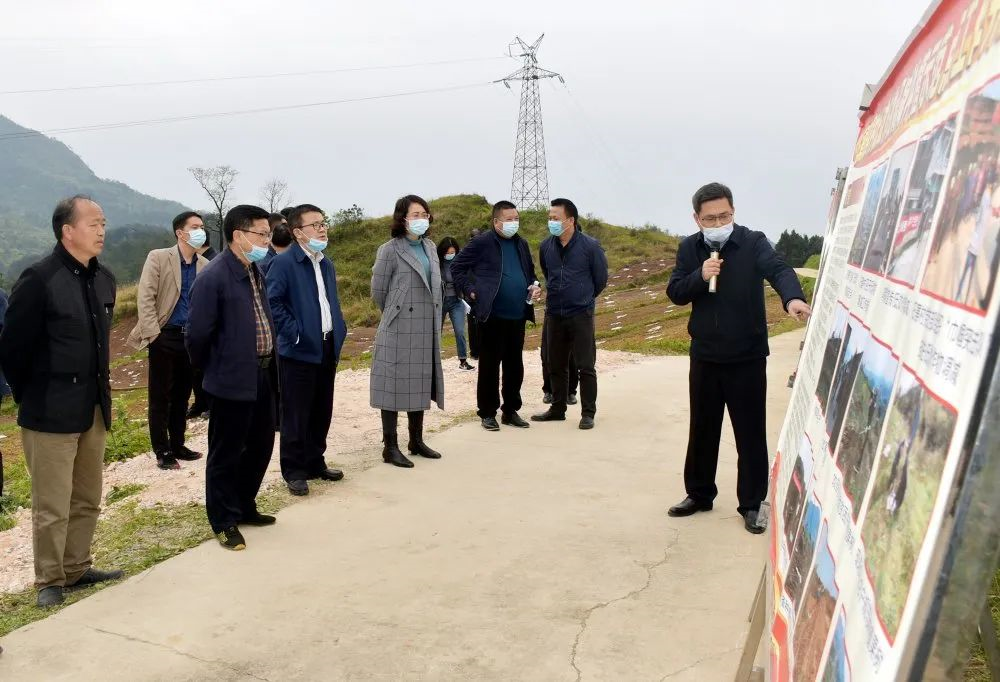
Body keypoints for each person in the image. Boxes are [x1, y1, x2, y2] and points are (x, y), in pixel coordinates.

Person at [665, 182, 810, 534]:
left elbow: (779, 270)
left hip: (746, 355)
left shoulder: (752, 242)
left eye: (725, 215)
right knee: (702, 428)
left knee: (749, 433)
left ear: (733, 212)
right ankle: (699, 493)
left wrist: (792, 299)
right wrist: (699, 276)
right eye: (711, 218)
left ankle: (751, 503)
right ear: (697, 219)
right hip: (705, 356)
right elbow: (676, 292)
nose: (719, 222)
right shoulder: (690, 248)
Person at [0, 195, 123, 607]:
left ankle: (76, 567)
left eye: (103, 222)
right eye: (93, 223)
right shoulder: (39, 279)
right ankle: (49, 579)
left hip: (93, 406)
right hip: (49, 410)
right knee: (51, 503)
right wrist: (30, 396)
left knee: (87, 495)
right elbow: (12, 349)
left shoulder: (104, 278)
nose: (101, 230)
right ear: (67, 230)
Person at [186, 204, 279, 551]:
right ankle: (223, 520)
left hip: (263, 373)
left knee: (260, 445)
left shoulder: (254, 270)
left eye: (268, 234)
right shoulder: (214, 277)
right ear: (238, 236)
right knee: (225, 452)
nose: (267, 241)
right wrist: (215, 369)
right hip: (230, 379)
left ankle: (244, 505)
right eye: (261, 234)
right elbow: (196, 337)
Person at [266, 204, 348, 496]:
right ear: (297, 232)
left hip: (326, 344)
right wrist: (296, 334)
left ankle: (315, 461)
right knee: (296, 413)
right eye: (315, 225)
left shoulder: (326, 262)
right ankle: (294, 470)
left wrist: (340, 328)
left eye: (323, 223)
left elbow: (330, 302)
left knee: (321, 409)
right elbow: (273, 304)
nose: (322, 228)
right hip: (299, 350)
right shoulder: (284, 263)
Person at [126, 212, 208, 470]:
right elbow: (146, 297)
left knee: (183, 393)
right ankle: (162, 450)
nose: (200, 231)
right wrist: (154, 335)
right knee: (160, 395)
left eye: (202, 227)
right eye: (195, 227)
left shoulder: (204, 265)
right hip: (164, 334)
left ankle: (178, 444)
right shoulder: (159, 257)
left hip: (190, 337)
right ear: (180, 233)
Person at [370, 195, 445, 468]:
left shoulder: (431, 247)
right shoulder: (389, 249)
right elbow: (378, 291)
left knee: (420, 381)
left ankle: (416, 440)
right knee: (391, 384)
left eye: (424, 214)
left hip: (426, 326)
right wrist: (396, 312)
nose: (421, 219)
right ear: (402, 218)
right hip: (399, 328)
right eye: (415, 214)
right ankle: (390, 446)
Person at [452, 201, 540, 431]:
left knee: (514, 365)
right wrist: (471, 290)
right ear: (496, 221)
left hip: (517, 313)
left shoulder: (521, 244)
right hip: (491, 314)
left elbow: (530, 272)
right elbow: (457, 268)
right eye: (509, 219)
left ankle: (511, 411)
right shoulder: (482, 243)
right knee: (490, 365)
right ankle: (488, 412)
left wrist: (534, 285)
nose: (514, 223)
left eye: (516, 219)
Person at [532, 198, 608, 430]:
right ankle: (557, 408)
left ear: (571, 220)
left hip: (581, 314)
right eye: (550, 218)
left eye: (556, 218)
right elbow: (547, 273)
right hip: (555, 313)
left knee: (585, 365)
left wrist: (584, 298)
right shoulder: (546, 246)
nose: (551, 222)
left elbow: (600, 279)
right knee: (555, 363)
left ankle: (588, 413)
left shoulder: (590, 246)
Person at [436, 237, 475, 371]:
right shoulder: (436, 263)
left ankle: (463, 361)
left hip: (456, 301)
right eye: (448, 252)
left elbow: (466, 278)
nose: (450, 255)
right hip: (439, 302)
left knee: (460, 330)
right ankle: (434, 362)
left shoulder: (459, 262)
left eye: (453, 252)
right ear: (442, 252)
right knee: (436, 332)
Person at [540, 323, 578, 405]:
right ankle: (548, 391)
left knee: (571, 356)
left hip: (572, 315)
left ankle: (570, 392)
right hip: (552, 314)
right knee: (547, 355)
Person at [465, 229, 482, 360]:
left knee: (482, 323)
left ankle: (480, 350)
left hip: (484, 294)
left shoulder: (487, 252)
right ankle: (475, 352)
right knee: (473, 324)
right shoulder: (466, 254)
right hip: (470, 294)